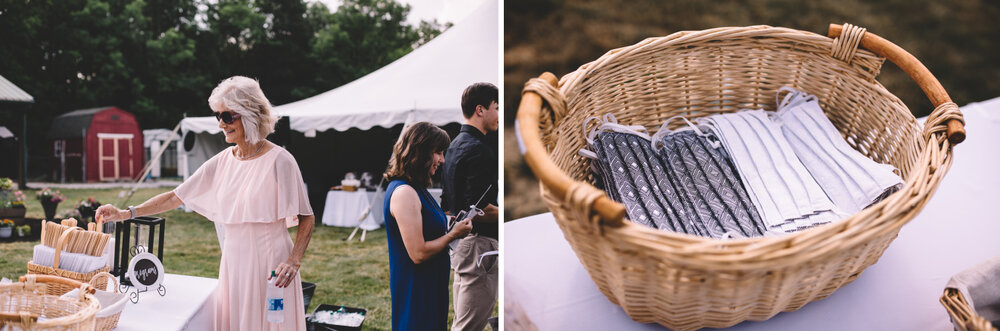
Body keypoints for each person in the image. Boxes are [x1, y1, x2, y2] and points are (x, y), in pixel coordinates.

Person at [96, 76, 314, 331]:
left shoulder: (281, 160)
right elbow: (175, 196)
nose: (221, 123)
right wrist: (125, 213)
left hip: (271, 262)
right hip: (234, 261)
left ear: (250, 115)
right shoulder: (222, 161)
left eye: (228, 116)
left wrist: (294, 260)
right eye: (218, 116)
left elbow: (306, 216)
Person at [383, 122, 473, 331]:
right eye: (438, 152)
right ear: (420, 152)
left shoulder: (418, 189)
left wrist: (451, 223)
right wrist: (454, 235)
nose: (442, 160)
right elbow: (418, 253)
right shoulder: (404, 193)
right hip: (416, 288)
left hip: (431, 284)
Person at [440, 82, 499, 331]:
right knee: (468, 327)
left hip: (461, 245)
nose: (499, 113)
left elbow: (448, 202)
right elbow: (481, 208)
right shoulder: (480, 150)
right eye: (497, 107)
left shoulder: (453, 145)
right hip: (479, 247)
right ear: (480, 109)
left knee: (462, 322)